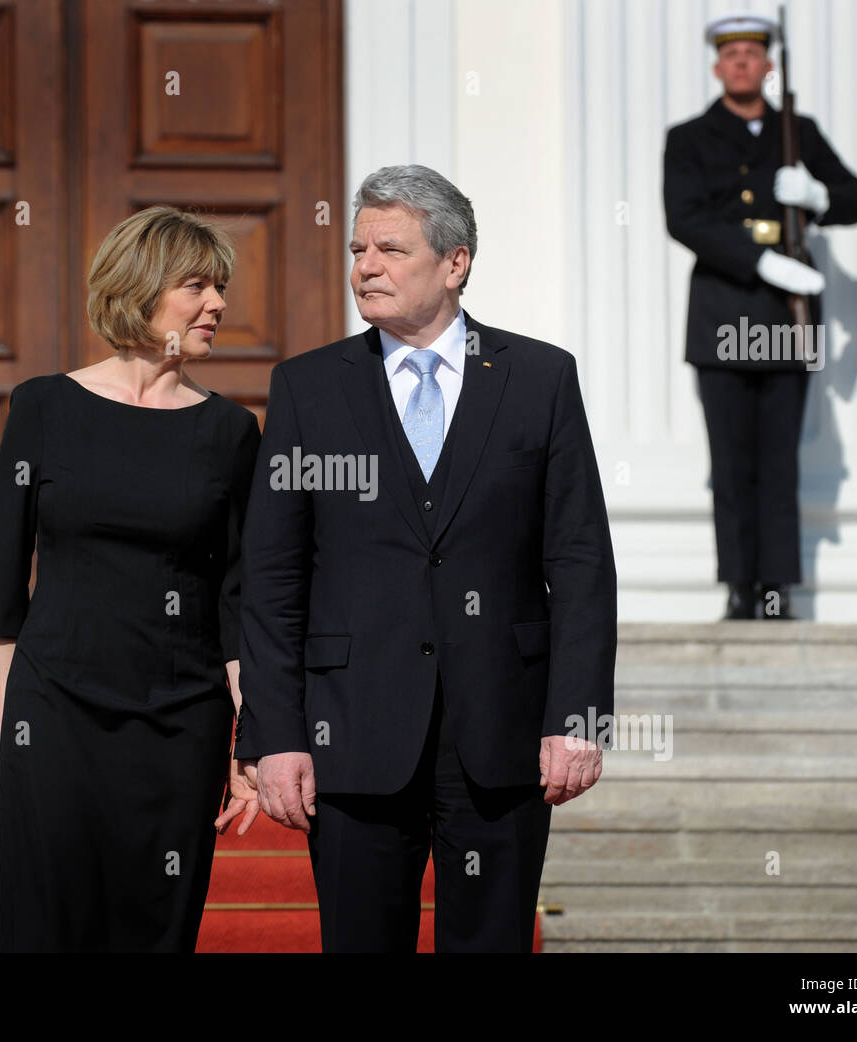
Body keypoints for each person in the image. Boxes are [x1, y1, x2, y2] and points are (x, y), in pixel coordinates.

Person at [231, 165, 617, 952]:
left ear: (455, 263)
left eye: (389, 249)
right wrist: (274, 734)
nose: (364, 266)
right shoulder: (307, 388)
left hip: (502, 738)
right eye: (357, 248)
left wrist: (575, 716)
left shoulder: (540, 379)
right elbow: (270, 578)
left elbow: (579, 561)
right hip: (349, 736)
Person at [0, 205, 261, 952]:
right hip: (57, 712)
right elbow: (4, 596)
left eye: (221, 286)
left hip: (181, 724)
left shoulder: (231, 432)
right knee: (48, 927)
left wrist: (250, 736)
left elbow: (238, 603)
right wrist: (12, 719)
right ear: (139, 290)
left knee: (155, 932)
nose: (219, 304)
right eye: (197, 284)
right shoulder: (44, 408)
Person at [663, 13, 857, 620]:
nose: (743, 64)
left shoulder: (797, 132)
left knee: (779, 460)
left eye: (754, 54)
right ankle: (739, 588)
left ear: (768, 64)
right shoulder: (690, 137)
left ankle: (778, 591)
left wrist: (819, 197)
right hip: (725, 314)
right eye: (733, 57)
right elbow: (685, 217)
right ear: (717, 67)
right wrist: (763, 262)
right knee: (731, 462)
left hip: (788, 319)